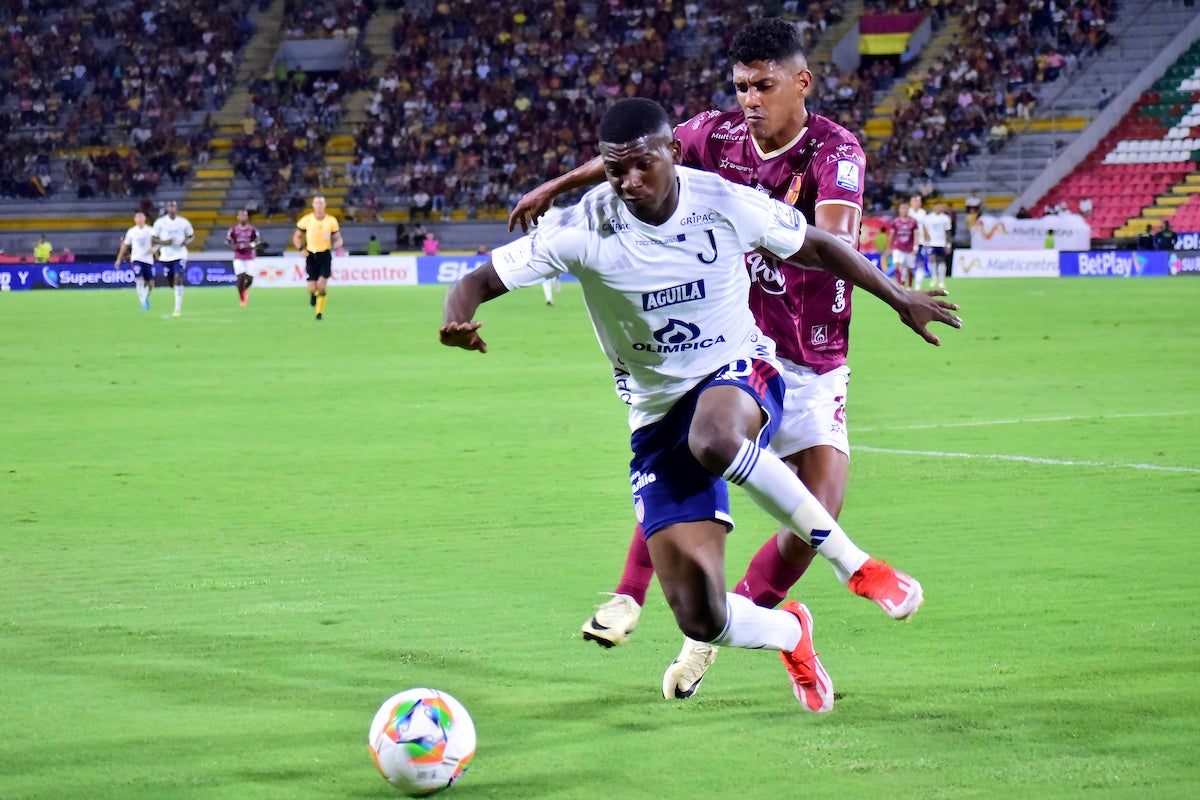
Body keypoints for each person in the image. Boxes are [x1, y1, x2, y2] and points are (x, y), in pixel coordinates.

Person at [443, 98, 958, 712]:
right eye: (615, 171)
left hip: (740, 369)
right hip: (656, 416)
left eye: (641, 167)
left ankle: (856, 566)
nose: (629, 183)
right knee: (701, 616)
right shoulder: (582, 229)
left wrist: (899, 297)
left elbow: (818, 247)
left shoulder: (721, 200)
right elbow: (476, 280)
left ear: (673, 153)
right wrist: (457, 319)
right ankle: (792, 632)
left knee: (715, 438)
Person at [293, 195, 343, 321]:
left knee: (322, 285)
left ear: (325, 205)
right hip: (311, 255)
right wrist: (301, 249)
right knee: (312, 287)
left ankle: (319, 313)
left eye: (321, 203)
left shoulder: (331, 220)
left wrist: (339, 243)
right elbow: (296, 237)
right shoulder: (307, 220)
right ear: (313, 205)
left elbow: (338, 237)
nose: (319, 205)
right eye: (317, 203)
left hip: (325, 255)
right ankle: (312, 295)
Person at [152, 201, 194, 317]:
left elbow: (191, 236)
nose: (172, 209)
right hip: (166, 256)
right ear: (167, 209)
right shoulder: (160, 223)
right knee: (171, 281)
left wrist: (186, 242)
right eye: (170, 207)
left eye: (174, 206)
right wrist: (164, 242)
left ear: (176, 208)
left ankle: (177, 308)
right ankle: (176, 290)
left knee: (178, 278)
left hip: (180, 254)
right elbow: (154, 238)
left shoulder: (183, 222)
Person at [115, 211, 157, 311]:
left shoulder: (151, 230)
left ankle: (145, 298)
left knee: (151, 285)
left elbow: (160, 241)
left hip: (148, 260)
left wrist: (155, 249)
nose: (139, 219)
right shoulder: (131, 231)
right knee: (140, 279)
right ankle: (143, 304)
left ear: (144, 219)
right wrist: (118, 259)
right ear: (134, 220)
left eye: (141, 217)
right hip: (136, 259)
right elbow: (125, 245)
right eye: (137, 217)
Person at [225, 209, 261, 307]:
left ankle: (244, 290)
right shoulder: (233, 229)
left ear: (247, 217)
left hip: (250, 256)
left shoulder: (252, 229)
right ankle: (242, 299)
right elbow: (227, 241)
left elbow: (258, 240)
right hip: (238, 256)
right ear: (237, 217)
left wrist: (252, 245)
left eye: (244, 216)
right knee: (240, 277)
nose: (242, 217)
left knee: (250, 279)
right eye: (241, 216)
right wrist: (233, 247)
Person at [920, 201, 953, 291]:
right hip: (931, 242)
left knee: (941, 260)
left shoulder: (945, 218)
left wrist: (948, 244)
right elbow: (925, 230)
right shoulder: (928, 218)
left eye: (940, 207)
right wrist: (926, 242)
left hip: (941, 243)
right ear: (934, 207)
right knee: (932, 259)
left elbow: (948, 232)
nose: (938, 208)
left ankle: (941, 280)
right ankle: (934, 278)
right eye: (937, 207)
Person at [887, 202, 920, 289]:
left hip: (909, 248)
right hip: (898, 247)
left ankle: (909, 287)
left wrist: (915, 247)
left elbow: (916, 234)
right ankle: (900, 286)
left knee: (910, 268)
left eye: (906, 208)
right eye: (902, 208)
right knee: (898, 265)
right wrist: (889, 248)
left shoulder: (913, 221)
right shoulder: (895, 222)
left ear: (908, 210)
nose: (904, 210)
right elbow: (892, 235)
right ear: (899, 210)